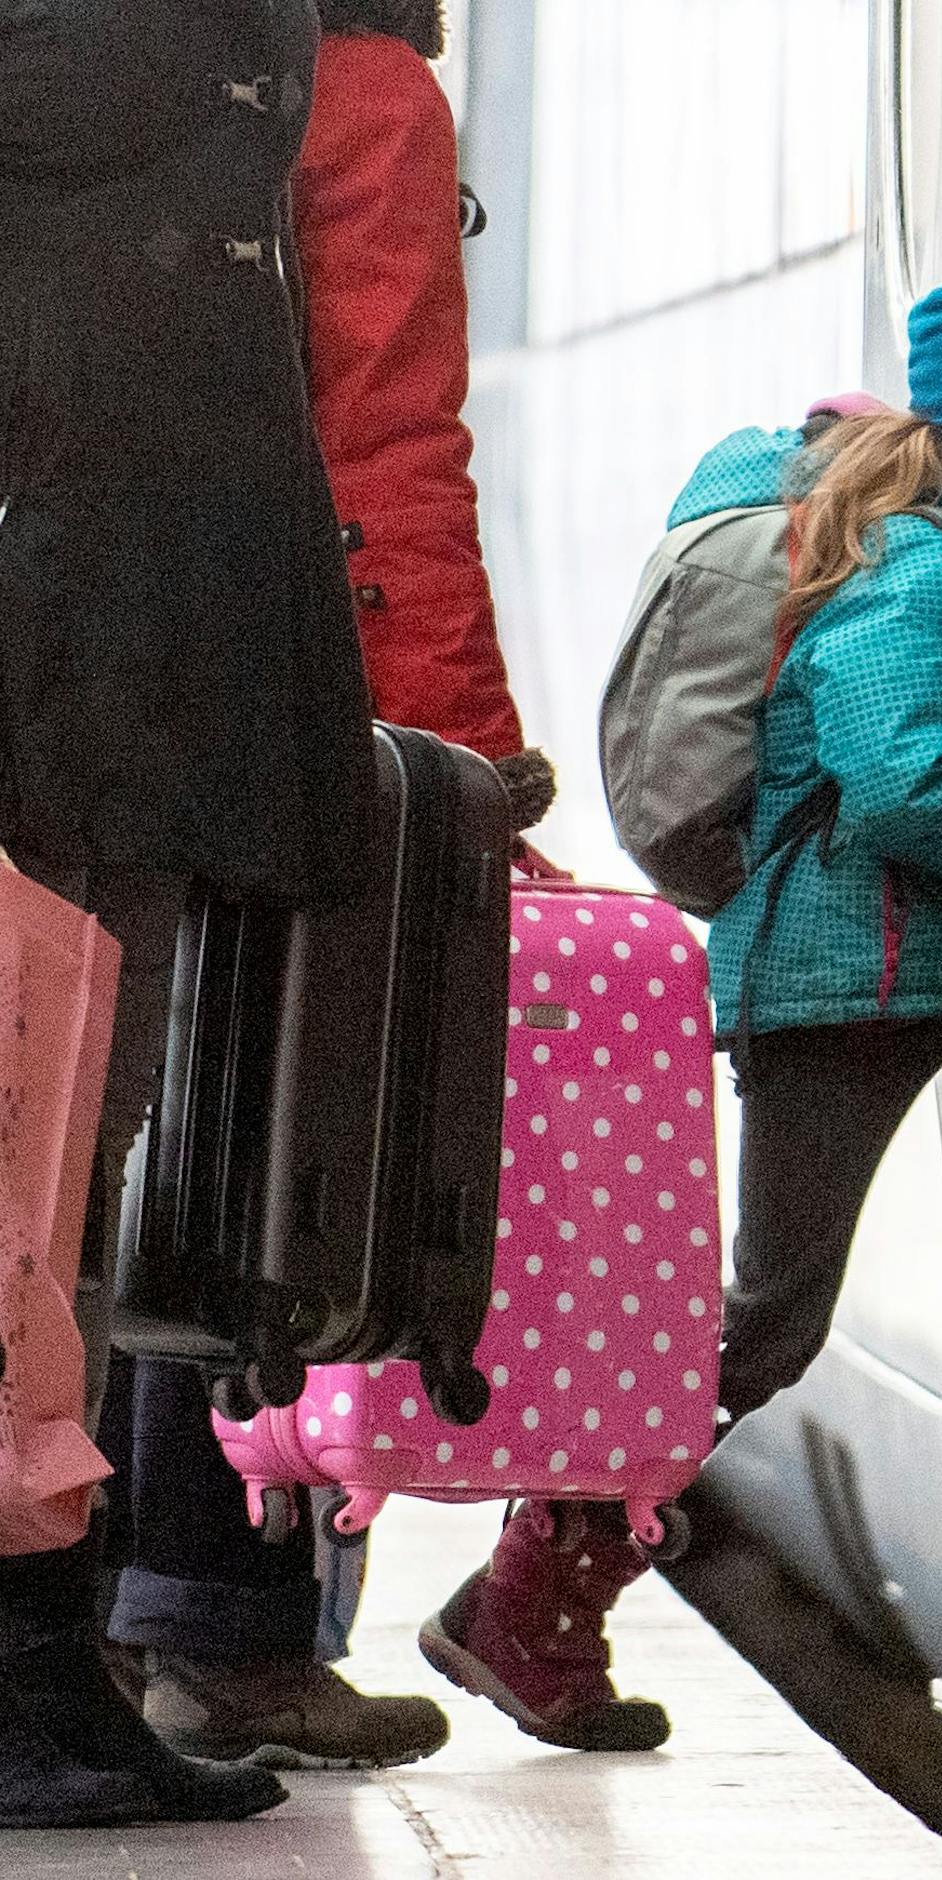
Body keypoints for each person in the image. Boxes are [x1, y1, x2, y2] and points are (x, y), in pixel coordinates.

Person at [418, 244, 942, 1750]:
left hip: (929, 958)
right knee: (763, 1322)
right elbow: (902, 785)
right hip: (837, 983)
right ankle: (527, 1599)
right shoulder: (913, 561)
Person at [97, 0, 554, 1773]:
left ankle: (105, 1620)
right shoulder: (353, 87)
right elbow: (383, 442)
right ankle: (225, 1629)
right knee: (270, 1147)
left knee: (102, 1148)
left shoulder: (93, 62)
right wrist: (461, 751)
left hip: (81, 668)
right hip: (270, 685)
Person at [0, 0, 378, 1829]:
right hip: (77, 685)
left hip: (137, 683)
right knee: (35, 1195)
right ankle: (28, 1681)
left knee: (60, 1202)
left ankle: (43, 1663)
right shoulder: (115, 58)